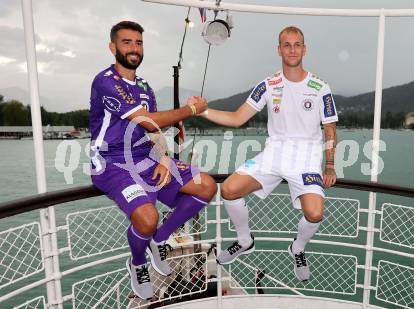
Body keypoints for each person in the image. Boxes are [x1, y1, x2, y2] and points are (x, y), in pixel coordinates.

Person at [89, 21, 217, 300]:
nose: (134, 48)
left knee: (206, 185)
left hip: (145, 157)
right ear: (113, 47)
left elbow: (155, 130)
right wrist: (191, 109)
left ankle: (160, 240)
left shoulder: (145, 86)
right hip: (112, 164)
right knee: (147, 219)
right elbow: (148, 119)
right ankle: (137, 263)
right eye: (126, 42)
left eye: (138, 42)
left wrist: (163, 158)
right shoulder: (106, 81)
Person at [201, 26, 337, 281]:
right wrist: (203, 112)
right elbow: (237, 117)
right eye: (287, 45)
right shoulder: (268, 84)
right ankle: (244, 240)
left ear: (304, 49)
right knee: (229, 189)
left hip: (306, 158)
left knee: (315, 213)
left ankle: (297, 248)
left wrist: (329, 165)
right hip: (274, 154)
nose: (292, 49)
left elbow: (330, 128)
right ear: (279, 50)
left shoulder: (320, 86)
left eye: (297, 44)